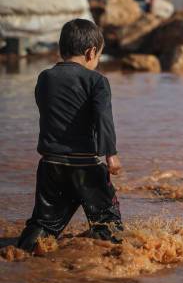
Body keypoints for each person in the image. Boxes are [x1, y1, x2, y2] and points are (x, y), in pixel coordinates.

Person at [17, 19, 123, 252]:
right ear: (91, 52)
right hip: (85, 166)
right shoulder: (97, 81)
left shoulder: (45, 78)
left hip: (51, 165)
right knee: (109, 226)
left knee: (44, 224)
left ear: (61, 49)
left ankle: (17, 256)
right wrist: (111, 154)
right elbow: (103, 118)